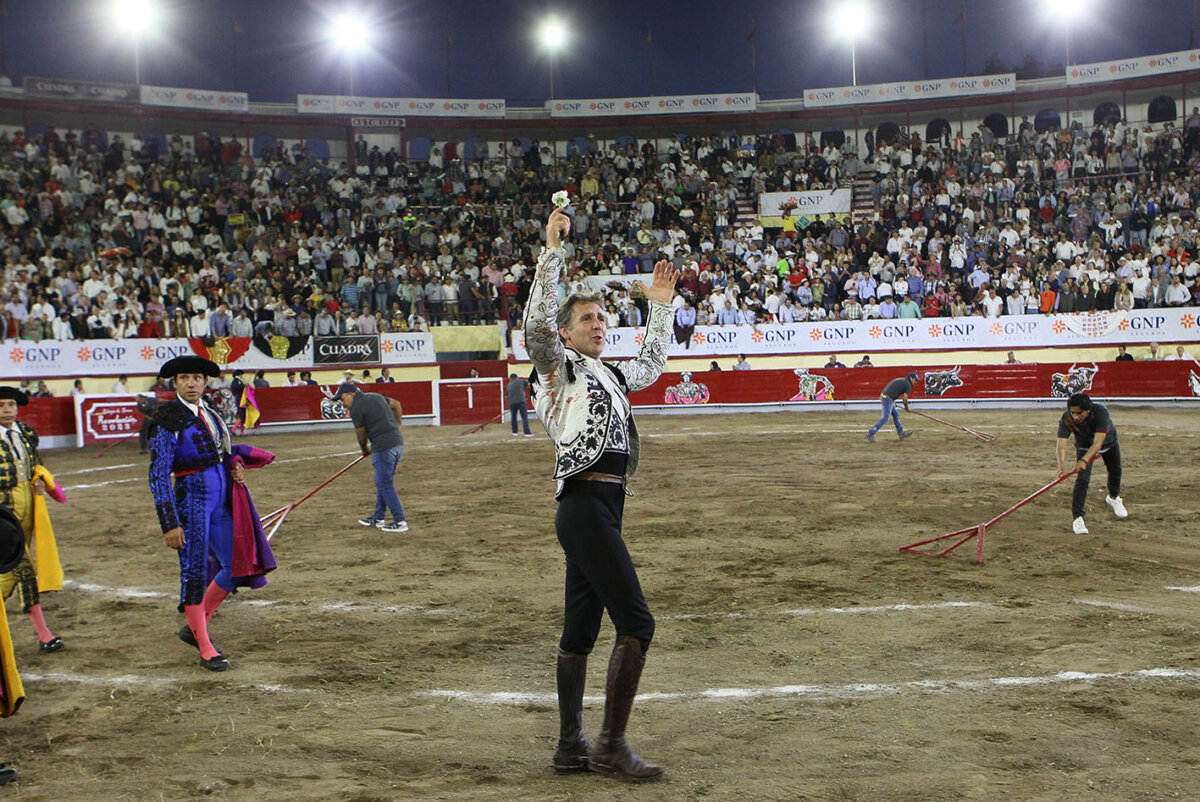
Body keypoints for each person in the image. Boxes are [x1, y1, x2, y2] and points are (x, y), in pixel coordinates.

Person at [525, 205, 676, 782]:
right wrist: (553, 250)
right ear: (565, 333)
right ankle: (610, 745)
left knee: (580, 632)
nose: (599, 324)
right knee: (637, 623)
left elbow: (653, 363)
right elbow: (537, 327)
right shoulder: (556, 368)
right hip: (586, 506)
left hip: (602, 506)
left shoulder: (609, 374)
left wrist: (659, 308)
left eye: (602, 318)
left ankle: (570, 748)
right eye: (588, 318)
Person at [147, 356, 277, 672]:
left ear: (205, 382)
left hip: (220, 500)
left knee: (238, 564)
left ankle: (198, 623)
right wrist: (169, 522)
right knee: (193, 572)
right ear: (175, 383)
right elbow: (158, 474)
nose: (192, 383)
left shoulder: (211, 413)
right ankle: (205, 646)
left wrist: (235, 467)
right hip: (190, 502)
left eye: (197, 378)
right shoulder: (167, 419)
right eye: (185, 378)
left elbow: (223, 453)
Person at [0, 387, 65, 654]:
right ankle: (44, 635)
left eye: (11, 404)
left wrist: (39, 482)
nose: (6, 409)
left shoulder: (25, 434)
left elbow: (36, 465)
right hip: (3, 514)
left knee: (6, 576)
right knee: (24, 570)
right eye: (1, 404)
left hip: (27, 508)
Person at [337, 384, 408, 533]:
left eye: (342, 399)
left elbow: (361, 435)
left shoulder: (356, 408)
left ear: (351, 394)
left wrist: (364, 450)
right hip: (397, 444)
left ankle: (400, 522)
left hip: (383, 448)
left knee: (384, 484)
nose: (343, 403)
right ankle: (379, 517)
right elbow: (397, 404)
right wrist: (398, 425)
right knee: (383, 482)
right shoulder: (375, 396)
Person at [1056, 393, 1127, 535]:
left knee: (1115, 470)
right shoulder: (1068, 419)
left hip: (1108, 444)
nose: (1075, 416)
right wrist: (1061, 466)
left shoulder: (1100, 412)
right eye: (1073, 412)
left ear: (1088, 410)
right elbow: (1061, 445)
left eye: (1079, 413)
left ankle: (1113, 498)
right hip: (1083, 446)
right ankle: (1077, 518)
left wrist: (1084, 460)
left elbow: (1098, 442)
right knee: (1082, 480)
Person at [864, 371, 919, 443]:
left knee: (895, 413)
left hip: (885, 396)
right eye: (915, 380)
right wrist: (906, 408)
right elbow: (905, 399)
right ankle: (870, 434)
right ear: (911, 378)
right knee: (885, 418)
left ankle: (901, 433)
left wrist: (892, 401)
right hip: (888, 398)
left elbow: (891, 389)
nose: (916, 382)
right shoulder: (908, 384)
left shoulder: (901, 380)